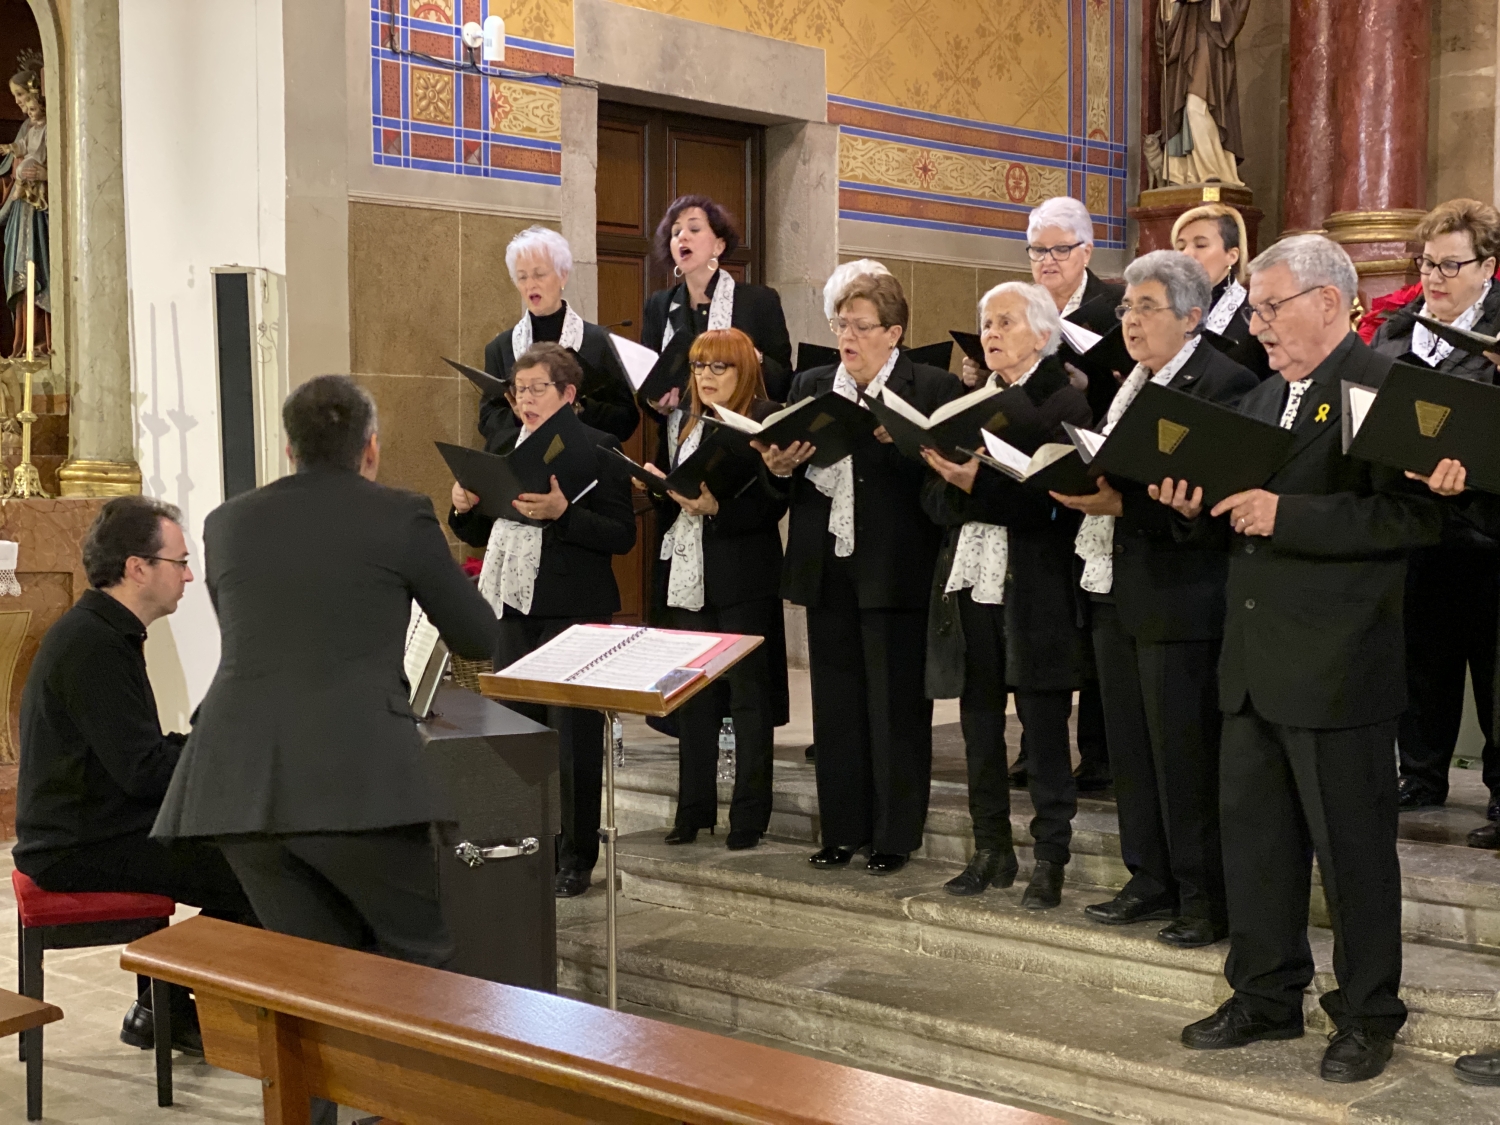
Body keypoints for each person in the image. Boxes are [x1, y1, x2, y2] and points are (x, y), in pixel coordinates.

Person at [151, 375, 498, 1125]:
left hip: (240, 783)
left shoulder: (228, 522)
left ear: (288, 447)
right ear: (369, 447)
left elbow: (263, 637)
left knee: (304, 978)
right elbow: (479, 636)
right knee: (418, 963)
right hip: (358, 777)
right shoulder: (400, 513)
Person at [1157, 235, 1444, 1083]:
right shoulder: (1255, 398)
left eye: (1271, 307)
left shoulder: (1385, 391)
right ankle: (1265, 992)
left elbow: (1414, 522)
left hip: (1339, 663)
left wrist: (1292, 517)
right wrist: (1185, 505)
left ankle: (1366, 1013)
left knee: (1353, 853)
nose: (1259, 324)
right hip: (1252, 658)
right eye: (1253, 309)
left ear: (1330, 301)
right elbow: (1227, 511)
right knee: (1256, 843)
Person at [1054, 251, 1256, 947]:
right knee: (1133, 746)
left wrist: (1121, 502)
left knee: (1185, 754)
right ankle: (1149, 875)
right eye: (1126, 309)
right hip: (1123, 584)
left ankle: (1204, 894)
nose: (1131, 322)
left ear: (1192, 315)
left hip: (1186, 594)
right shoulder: (1131, 379)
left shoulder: (1223, 383)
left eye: (1146, 308)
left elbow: (1208, 502)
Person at [15, 497, 257, 1054]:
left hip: (96, 822)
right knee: (259, 865)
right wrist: (226, 765)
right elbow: (143, 773)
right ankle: (166, 1002)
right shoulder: (93, 646)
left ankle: (161, 1005)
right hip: (74, 844)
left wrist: (210, 752)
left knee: (250, 853)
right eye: (180, 561)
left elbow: (137, 753)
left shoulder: (103, 633)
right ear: (137, 567)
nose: (190, 575)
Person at [757, 270, 961, 875]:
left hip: (897, 564)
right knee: (838, 704)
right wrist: (780, 463)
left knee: (896, 706)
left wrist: (902, 442)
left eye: (861, 326)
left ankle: (894, 834)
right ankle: (841, 829)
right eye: (841, 324)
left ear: (893, 333)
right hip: (828, 564)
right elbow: (784, 474)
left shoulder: (929, 386)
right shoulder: (812, 383)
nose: (848, 335)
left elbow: (943, 482)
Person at [920, 282, 1092, 908]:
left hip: (1036, 582)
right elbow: (934, 500)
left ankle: (1051, 857)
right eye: (985, 323)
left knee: (1043, 724)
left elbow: (1058, 504)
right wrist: (954, 485)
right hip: (971, 576)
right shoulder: (969, 402)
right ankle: (990, 848)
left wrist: (977, 487)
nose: (990, 333)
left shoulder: (1064, 401)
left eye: (1005, 322)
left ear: (1043, 333)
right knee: (978, 721)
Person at [450, 342, 636, 897]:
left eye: (536, 389)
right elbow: (487, 533)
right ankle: (526, 845)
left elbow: (622, 536)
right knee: (516, 731)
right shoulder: (504, 445)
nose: (524, 399)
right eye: (518, 390)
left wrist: (565, 515)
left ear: (568, 394)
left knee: (573, 738)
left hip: (573, 609)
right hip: (514, 606)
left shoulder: (601, 449)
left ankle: (576, 856)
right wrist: (462, 508)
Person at [1367, 199, 1500, 829]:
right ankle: (1419, 775)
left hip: (1489, 531)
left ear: (1488, 267)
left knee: (1494, 672)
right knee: (1421, 660)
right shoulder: (1396, 332)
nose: (1436, 277)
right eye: (1427, 263)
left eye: (1452, 265)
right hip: (1415, 523)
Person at [984, 196, 1119, 794]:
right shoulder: (1016, 301)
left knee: (1077, 635)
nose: (1045, 260)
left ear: (1086, 251)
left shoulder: (1110, 304)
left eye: (1058, 249)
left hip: (1085, 458)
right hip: (1023, 477)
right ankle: (1032, 748)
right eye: (1036, 249)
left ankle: (1094, 752)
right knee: (1033, 644)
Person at [648, 328, 788, 851]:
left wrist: (719, 510)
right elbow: (685, 491)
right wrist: (658, 487)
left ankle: (750, 814)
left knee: (750, 699)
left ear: (743, 371)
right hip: (688, 573)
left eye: (718, 368)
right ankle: (694, 810)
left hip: (741, 573)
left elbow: (775, 502)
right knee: (692, 697)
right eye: (700, 367)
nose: (706, 378)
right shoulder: (684, 419)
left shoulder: (764, 419)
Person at [479, 225, 639, 446]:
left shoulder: (598, 342)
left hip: (585, 464)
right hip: (523, 467)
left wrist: (572, 407)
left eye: (539, 274)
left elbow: (626, 420)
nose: (530, 285)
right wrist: (520, 413)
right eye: (522, 277)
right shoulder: (501, 347)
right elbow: (487, 419)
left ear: (563, 275)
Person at [642, 194, 793, 407]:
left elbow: (784, 384)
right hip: (680, 435)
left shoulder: (759, 301)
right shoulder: (659, 305)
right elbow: (648, 387)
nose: (683, 237)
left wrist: (752, 357)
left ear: (719, 246)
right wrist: (658, 405)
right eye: (676, 233)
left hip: (743, 434)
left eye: (694, 229)